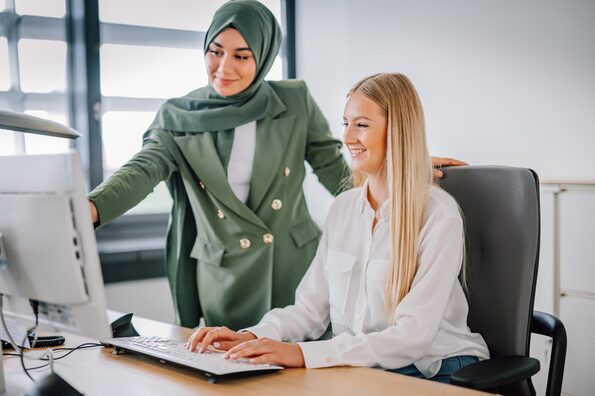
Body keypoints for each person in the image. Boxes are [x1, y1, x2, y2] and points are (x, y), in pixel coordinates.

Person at [88, 0, 465, 330]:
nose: (224, 67)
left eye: (241, 55)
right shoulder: (178, 117)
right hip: (225, 276)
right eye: (216, 51)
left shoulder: (293, 101)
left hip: (293, 269)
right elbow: (139, 172)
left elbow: (336, 170)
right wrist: (88, 209)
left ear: (264, 56)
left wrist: (398, 161)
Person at [186, 73, 489, 383]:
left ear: (398, 131)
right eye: (346, 123)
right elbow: (309, 310)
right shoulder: (343, 209)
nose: (346, 138)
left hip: (438, 367)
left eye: (361, 125)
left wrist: (304, 354)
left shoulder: (438, 214)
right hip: (367, 367)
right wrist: (252, 336)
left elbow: (414, 336)